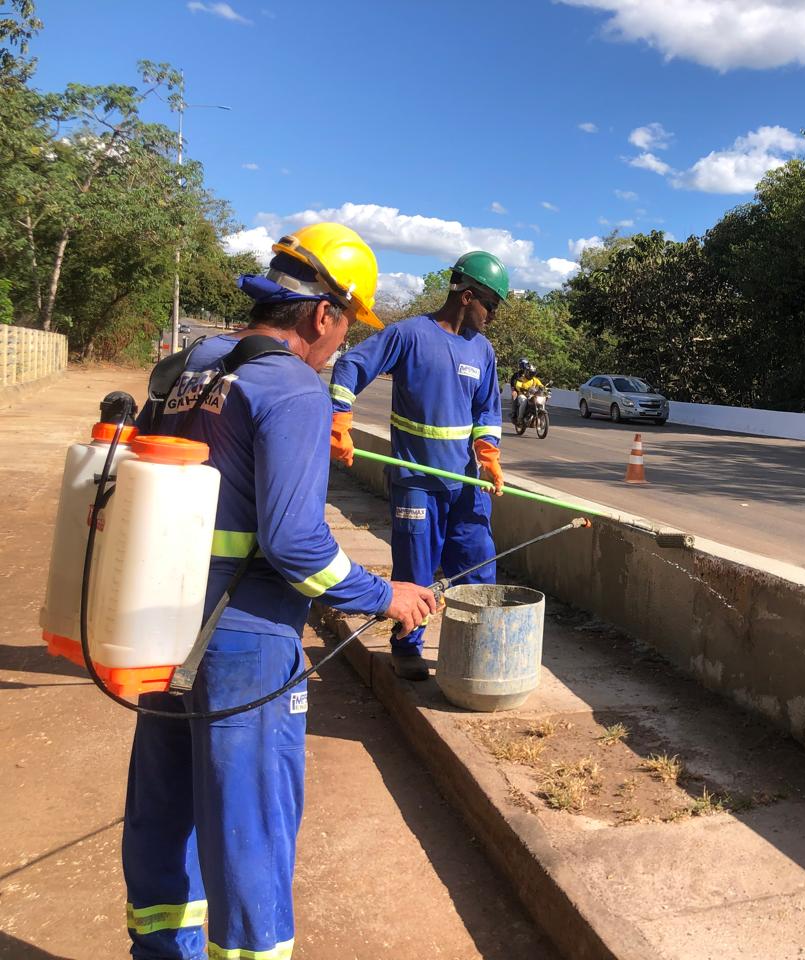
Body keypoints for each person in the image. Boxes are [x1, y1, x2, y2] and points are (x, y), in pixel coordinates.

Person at [122, 222, 440, 960]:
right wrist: (382, 593)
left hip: (154, 614)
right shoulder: (293, 387)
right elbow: (296, 545)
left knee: (165, 799)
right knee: (250, 822)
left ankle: (162, 950)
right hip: (246, 631)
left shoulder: (192, 366)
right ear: (323, 315)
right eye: (345, 327)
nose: (340, 345)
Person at [329, 250, 508, 681]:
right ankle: (407, 645)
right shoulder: (409, 335)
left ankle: (477, 651)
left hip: (463, 483)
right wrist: (339, 419)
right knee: (417, 570)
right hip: (415, 481)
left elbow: (488, 410)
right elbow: (352, 365)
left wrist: (488, 455)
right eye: (492, 305)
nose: (493, 316)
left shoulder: (482, 350)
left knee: (478, 566)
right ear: (467, 296)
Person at [513, 362, 545, 428]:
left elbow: (541, 385)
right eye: (530, 373)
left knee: (542, 401)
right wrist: (522, 389)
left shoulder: (535, 379)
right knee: (524, 402)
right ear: (527, 372)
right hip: (522, 395)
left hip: (532, 396)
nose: (531, 375)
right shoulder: (521, 378)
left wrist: (543, 388)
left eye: (533, 373)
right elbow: (517, 386)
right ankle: (520, 419)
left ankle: (540, 418)